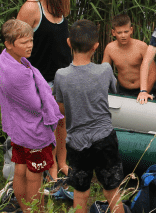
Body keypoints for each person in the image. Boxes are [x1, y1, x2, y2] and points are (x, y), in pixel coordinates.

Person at [52, 20, 124, 213]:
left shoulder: (61, 75)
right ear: (96, 46)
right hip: (105, 139)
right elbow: (115, 90)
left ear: (69, 42)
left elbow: (61, 110)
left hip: (77, 143)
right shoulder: (105, 70)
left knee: (80, 192)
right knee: (111, 191)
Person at [0, 19, 64, 212]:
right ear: (8, 44)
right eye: (23, 42)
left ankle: (25, 208)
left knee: (19, 168)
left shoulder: (3, 61)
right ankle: (35, 210)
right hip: (33, 132)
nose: (30, 46)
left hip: (17, 129)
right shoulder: (21, 74)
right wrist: (47, 96)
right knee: (35, 174)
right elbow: (35, 104)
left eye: (31, 40)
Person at [16, 0, 75, 178]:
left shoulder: (61, 4)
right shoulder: (32, 7)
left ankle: (62, 162)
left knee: (61, 122)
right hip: (39, 79)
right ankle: (48, 166)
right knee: (44, 125)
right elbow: (15, 42)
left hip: (62, 76)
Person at [102, 14, 156, 97]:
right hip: (123, 90)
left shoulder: (141, 46)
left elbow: (153, 72)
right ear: (113, 32)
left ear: (131, 30)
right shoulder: (110, 48)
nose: (123, 36)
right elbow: (104, 73)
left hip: (144, 88)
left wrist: (144, 92)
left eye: (126, 32)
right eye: (119, 32)